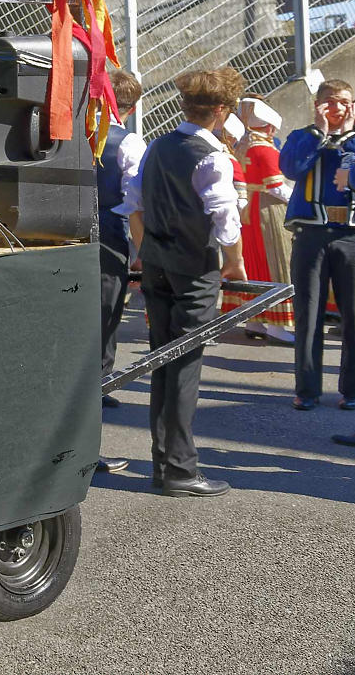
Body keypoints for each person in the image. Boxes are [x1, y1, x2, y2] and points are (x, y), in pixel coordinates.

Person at [132, 66, 245, 497]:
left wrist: (148, 253)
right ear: (220, 110)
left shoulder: (158, 145)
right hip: (193, 266)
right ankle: (178, 468)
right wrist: (233, 262)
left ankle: (167, 465)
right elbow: (225, 218)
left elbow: (135, 207)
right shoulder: (211, 155)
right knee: (183, 365)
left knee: (163, 359)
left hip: (158, 262)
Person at [277, 79, 355, 411]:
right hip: (311, 235)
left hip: (353, 236)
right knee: (307, 313)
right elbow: (292, 168)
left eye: (342, 102)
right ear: (317, 105)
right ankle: (307, 389)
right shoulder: (302, 137)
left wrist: (351, 134)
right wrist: (319, 133)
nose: (336, 108)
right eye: (329, 101)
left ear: (351, 108)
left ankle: (354, 389)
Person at [98, 69, 145, 421]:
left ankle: (97, 382)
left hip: (66, 231)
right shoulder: (128, 142)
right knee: (108, 309)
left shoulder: (69, 133)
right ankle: (100, 382)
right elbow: (134, 204)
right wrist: (141, 252)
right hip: (109, 233)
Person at [231, 97, 293, 341]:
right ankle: (277, 326)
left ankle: (255, 321)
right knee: (275, 262)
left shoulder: (242, 144)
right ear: (269, 127)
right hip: (267, 210)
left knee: (255, 264)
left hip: (248, 210)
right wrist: (298, 201)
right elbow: (277, 187)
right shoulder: (265, 149)